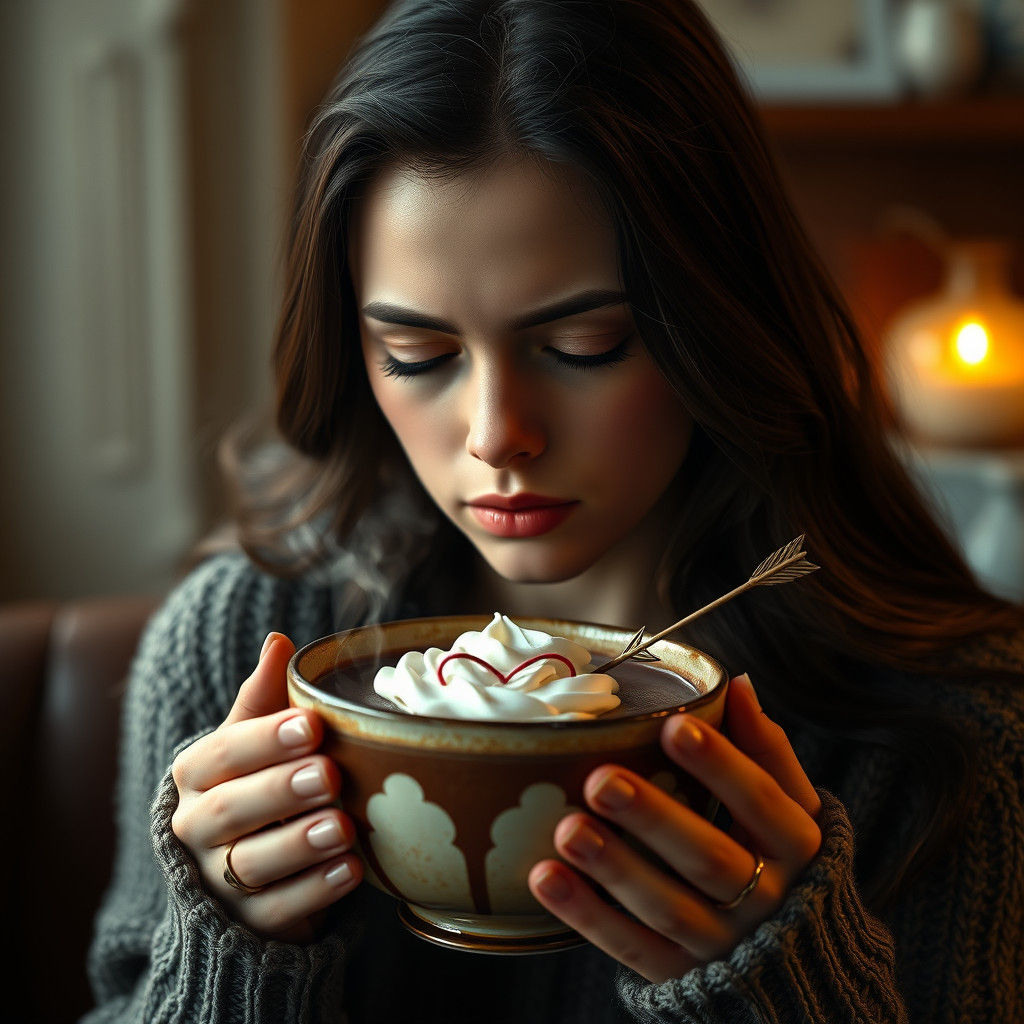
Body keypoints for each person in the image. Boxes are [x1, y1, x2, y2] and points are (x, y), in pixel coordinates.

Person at [83, 1, 1024, 1021]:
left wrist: (790, 988)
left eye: (583, 347)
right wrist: (224, 961)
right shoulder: (241, 651)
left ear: (716, 320)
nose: (496, 432)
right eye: (417, 355)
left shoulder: (947, 739)